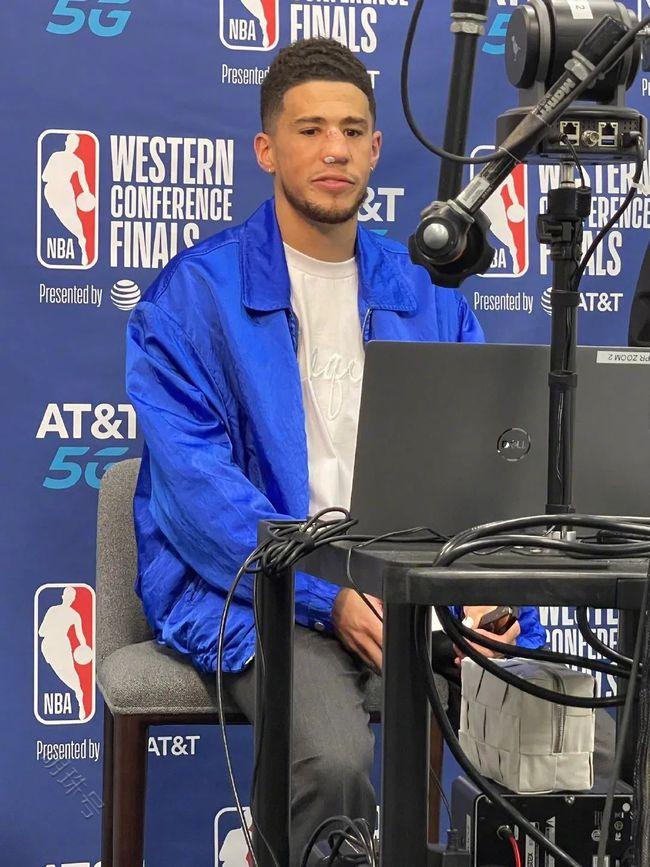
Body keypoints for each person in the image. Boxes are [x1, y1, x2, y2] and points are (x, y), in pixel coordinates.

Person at [126, 38, 546, 865]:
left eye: (352, 131)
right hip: (264, 594)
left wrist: (484, 596)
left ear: (376, 149)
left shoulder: (424, 289)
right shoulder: (192, 296)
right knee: (334, 760)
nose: (334, 150)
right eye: (310, 129)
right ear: (266, 148)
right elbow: (200, 497)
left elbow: (482, 465)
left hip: (412, 586)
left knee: (558, 720)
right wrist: (330, 595)